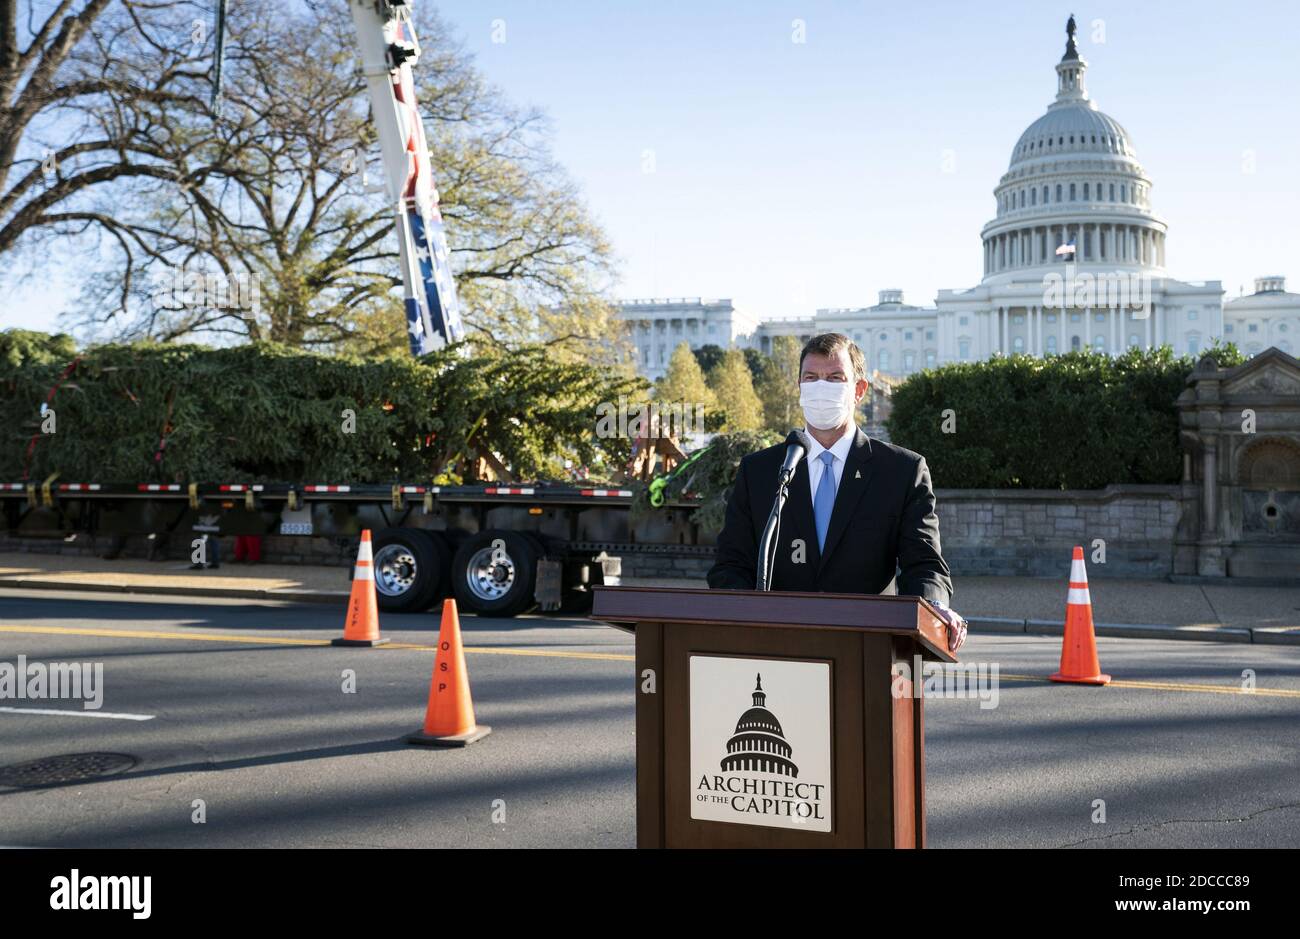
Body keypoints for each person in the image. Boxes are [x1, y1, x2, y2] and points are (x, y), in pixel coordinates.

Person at [707, 332, 968, 652]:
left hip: (868, 653)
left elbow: (925, 564)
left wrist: (933, 607)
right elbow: (731, 565)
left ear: (859, 390)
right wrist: (740, 613)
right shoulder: (760, 470)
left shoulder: (901, 471)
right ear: (799, 388)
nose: (821, 388)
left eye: (834, 378)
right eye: (811, 378)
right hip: (778, 654)